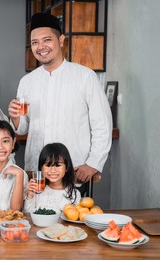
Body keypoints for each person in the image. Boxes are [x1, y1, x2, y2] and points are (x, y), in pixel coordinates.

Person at [8, 12, 112, 194]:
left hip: (75, 172)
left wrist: (93, 164)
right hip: (38, 174)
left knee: (74, 221)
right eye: (34, 42)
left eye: (47, 40)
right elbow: (23, 128)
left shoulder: (85, 76)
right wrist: (15, 117)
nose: (41, 47)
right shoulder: (27, 81)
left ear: (61, 40)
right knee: (35, 221)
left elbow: (102, 125)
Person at [23, 143, 81, 212]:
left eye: (58, 165)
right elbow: (28, 214)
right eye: (48, 165)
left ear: (66, 167)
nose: (53, 170)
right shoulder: (37, 190)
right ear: (41, 168)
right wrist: (30, 195)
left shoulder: (74, 194)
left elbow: (75, 218)